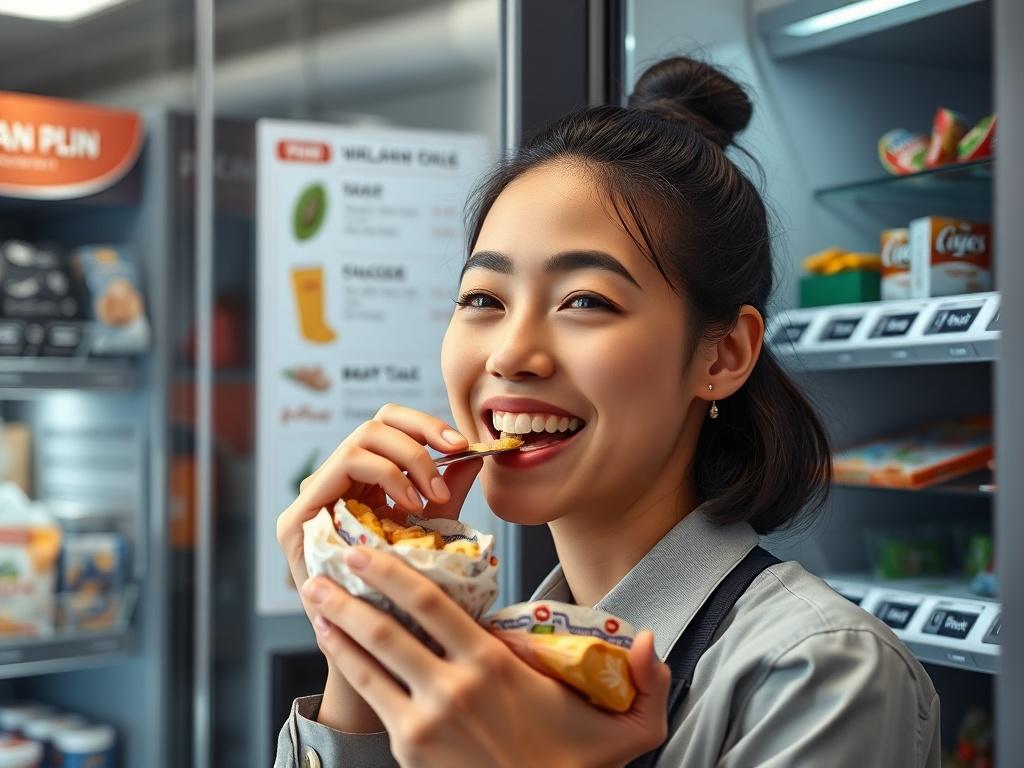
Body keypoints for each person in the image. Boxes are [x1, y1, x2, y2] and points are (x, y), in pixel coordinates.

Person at [275, 56, 940, 767]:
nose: (510, 353)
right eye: (483, 300)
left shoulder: (820, 677)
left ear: (723, 357)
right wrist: (361, 625)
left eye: (585, 301)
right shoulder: (491, 656)